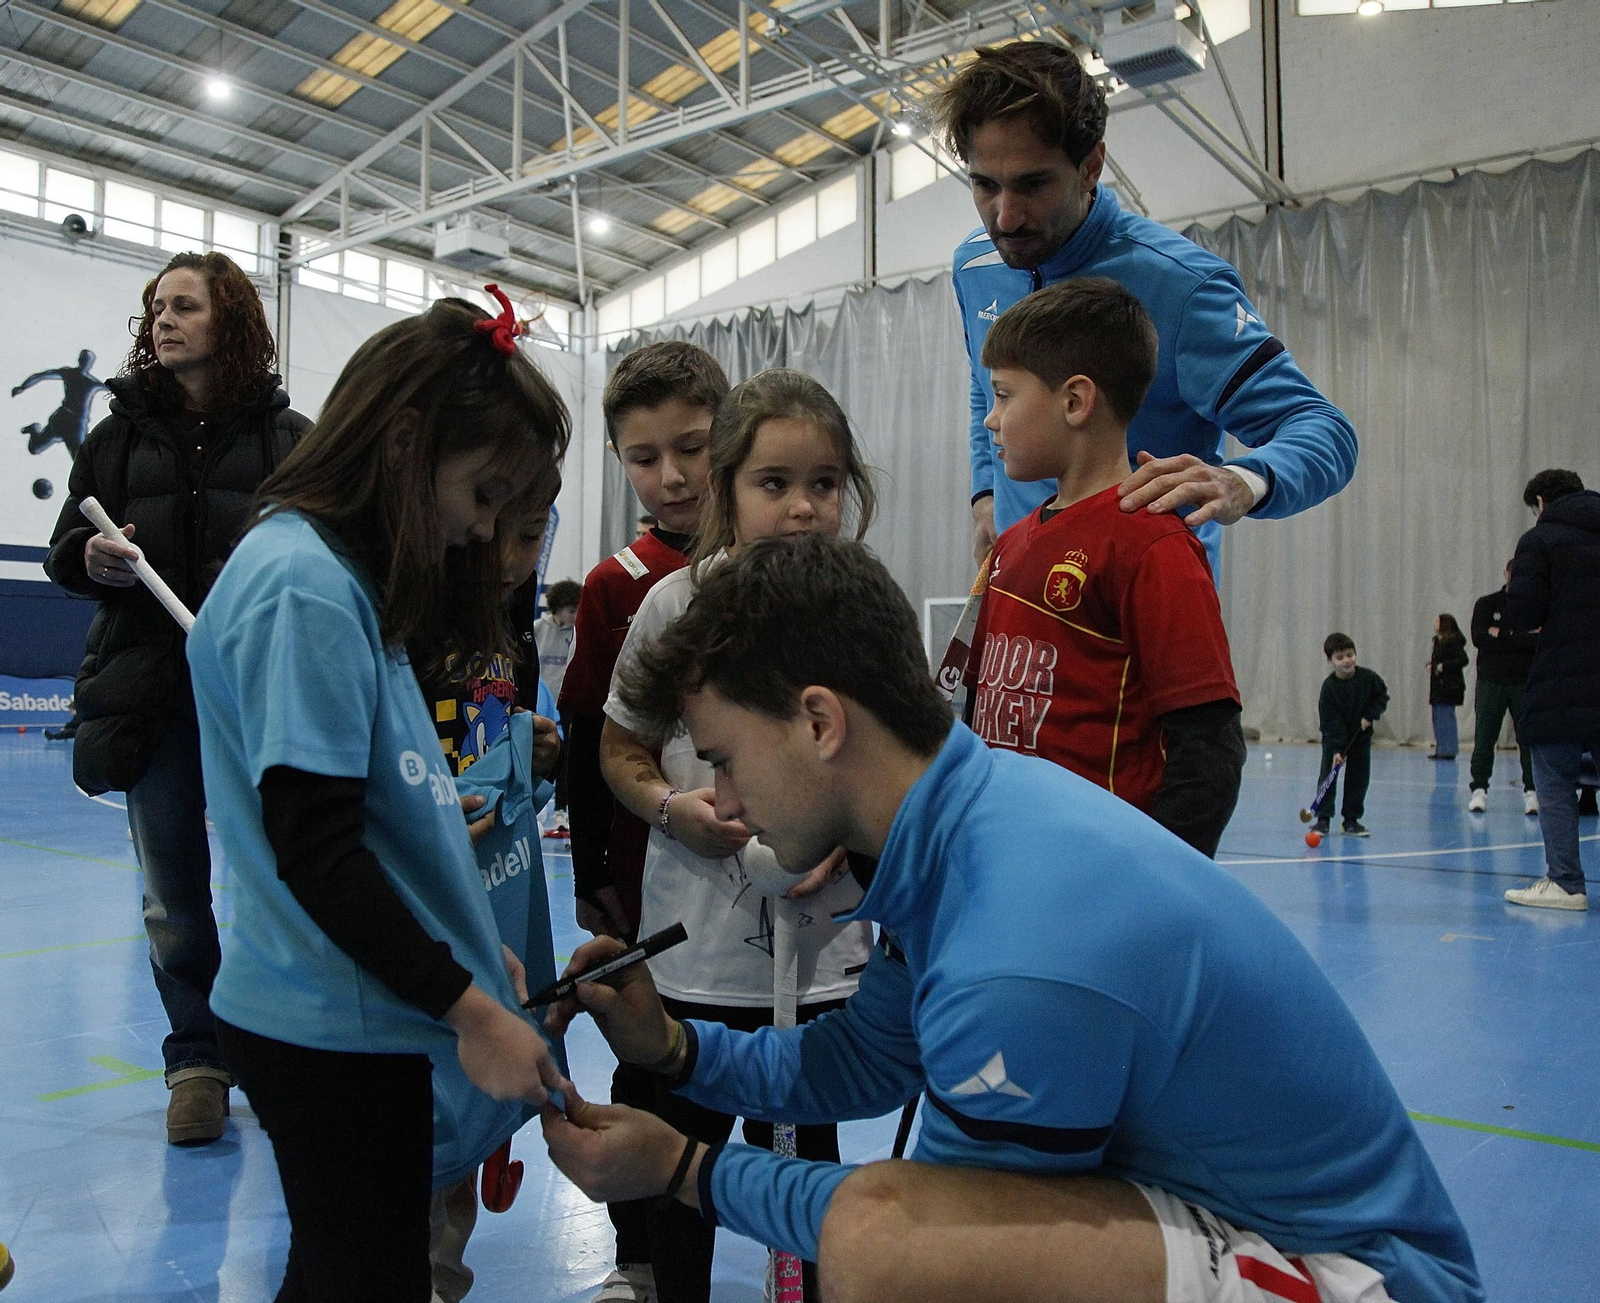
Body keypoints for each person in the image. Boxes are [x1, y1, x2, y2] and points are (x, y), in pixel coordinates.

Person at [540, 534, 1483, 1303]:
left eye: (725, 756)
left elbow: (912, 1229)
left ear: (820, 723)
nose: (721, 794)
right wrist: (674, 1049)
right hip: (1249, 1233)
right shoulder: (970, 818)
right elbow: (868, 1057)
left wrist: (680, 1166)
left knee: (890, 1254)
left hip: (1370, 1281)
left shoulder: (1015, 953)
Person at [184, 293, 573, 1301]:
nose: (480, 530)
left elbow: (395, 805)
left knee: (351, 1272)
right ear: (405, 444)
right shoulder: (303, 585)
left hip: (358, 1014)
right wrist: (468, 1002)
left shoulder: (345, 582)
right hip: (333, 1025)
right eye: (482, 493)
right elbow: (315, 845)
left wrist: (467, 947)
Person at [599, 370, 876, 1303]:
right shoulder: (676, 606)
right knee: (688, 1168)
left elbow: (893, 771)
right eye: (774, 484)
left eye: (825, 484)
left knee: (807, 1175)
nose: (802, 507)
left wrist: (846, 839)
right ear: (727, 491)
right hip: (700, 962)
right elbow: (620, 748)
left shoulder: (865, 612)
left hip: (824, 958)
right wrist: (672, 808)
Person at [42, 251, 310, 1145]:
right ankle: (196, 1057)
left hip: (256, 696)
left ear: (228, 320)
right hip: (151, 696)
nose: (162, 320)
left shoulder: (289, 438)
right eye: (156, 307)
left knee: (285, 883)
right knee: (174, 898)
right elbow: (61, 552)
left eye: (184, 306)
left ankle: (281, 1055)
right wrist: (87, 559)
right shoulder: (115, 437)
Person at [939, 43, 1357, 574]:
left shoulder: (1182, 286)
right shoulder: (976, 265)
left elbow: (1323, 429)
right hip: (1024, 594)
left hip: (1141, 612)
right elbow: (985, 387)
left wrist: (1242, 480)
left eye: (1033, 183)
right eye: (984, 185)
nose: (1006, 217)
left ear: (1091, 165)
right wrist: (984, 495)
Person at [558, 339, 730, 1303]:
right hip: (644, 884)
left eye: (694, 448)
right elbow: (592, 740)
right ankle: (644, 1259)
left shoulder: (781, 562)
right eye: (644, 456)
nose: (672, 476)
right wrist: (595, 876)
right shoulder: (614, 585)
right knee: (652, 1075)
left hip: (758, 909)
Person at [963, 280, 1243, 856]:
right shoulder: (1010, 546)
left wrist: (1155, 889)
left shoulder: (1153, 546)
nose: (990, 421)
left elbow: (1209, 752)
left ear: (1074, 402)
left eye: (1004, 396)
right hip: (1008, 861)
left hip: (1098, 875)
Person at [418, 485, 567, 1303]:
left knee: (461, 1113)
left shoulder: (500, 642)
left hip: (482, 922)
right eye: (497, 536)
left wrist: (532, 767)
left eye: (533, 535)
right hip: (398, 926)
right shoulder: (390, 631)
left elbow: (486, 783)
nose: (513, 559)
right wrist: (430, 817)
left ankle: (444, 1273)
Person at [1503, 469, 1600, 912]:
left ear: (1541, 501)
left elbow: (1523, 613)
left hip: (1563, 681)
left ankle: (1565, 882)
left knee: (1555, 780)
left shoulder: (1540, 540)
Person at [1468, 562, 1538, 815]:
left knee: (1528, 738)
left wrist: (1502, 635)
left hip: (1524, 681)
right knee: (1485, 736)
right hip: (1491, 680)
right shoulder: (1487, 604)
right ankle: (1479, 789)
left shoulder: (1535, 606)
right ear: (1505, 573)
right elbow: (1479, 638)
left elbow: (1536, 641)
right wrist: (1519, 637)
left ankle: (1532, 791)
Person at [1312, 633, 1389, 838]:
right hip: (1334, 740)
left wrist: (1370, 715)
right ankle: (1323, 819)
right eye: (1340, 657)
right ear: (1330, 661)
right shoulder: (1329, 688)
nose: (1346, 660)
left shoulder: (1369, 679)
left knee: (1358, 779)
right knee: (1328, 777)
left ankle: (1351, 820)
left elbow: (1382, 696)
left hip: (1360, 739)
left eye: (1350, 654)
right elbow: (1329, 719)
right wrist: (1337, 748)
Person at [533, 577, 581, 834]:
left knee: (565, 757)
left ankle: (561, 811)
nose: (575, 615)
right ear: (557, 608)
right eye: (571, 610)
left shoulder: (578, 633)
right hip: (540, 704)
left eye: (578, 610)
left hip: (565, 706)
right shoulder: (538, 628)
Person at [1427, 614, 1468, 760]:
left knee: (1446, 718)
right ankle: (1442, 748)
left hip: (1449, 686)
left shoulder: (1453, 641)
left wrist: (1444, 666)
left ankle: (1449, 750)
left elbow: (1463, 660)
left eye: (1438, 621)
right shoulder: (1439, 641)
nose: (1435, 623)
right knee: (1438, 718)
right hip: (1439, 686)